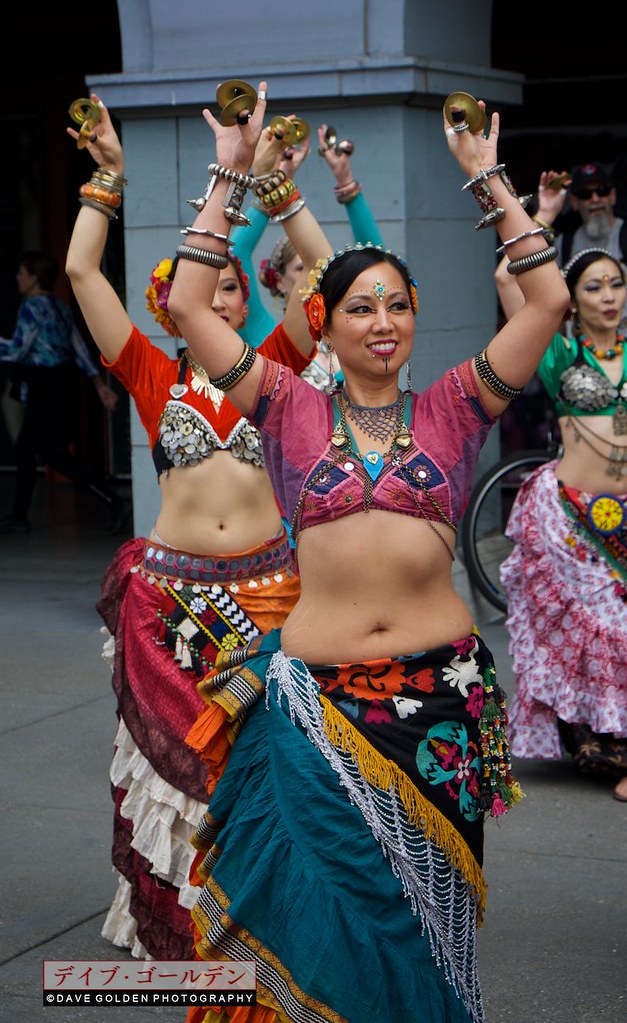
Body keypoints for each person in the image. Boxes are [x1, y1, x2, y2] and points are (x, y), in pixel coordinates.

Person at [166, 82, 569, 1023]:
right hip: (318, 708)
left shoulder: (456, 406)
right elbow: (189, 301)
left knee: (431, 921)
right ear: (330, 323)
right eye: (360, 307)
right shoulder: (288, 407)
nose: (382, 321)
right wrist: (231, 165)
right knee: (325, 921)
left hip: (439, 704)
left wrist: (487, 179)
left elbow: (545, 297)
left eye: (398, 305)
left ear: (415, 318)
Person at [64, 93, 333, 960]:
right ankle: (178, 923)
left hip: (269, 591)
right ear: (172, 299)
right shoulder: (149, 370)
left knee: (264, 764)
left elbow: (325, 272)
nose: (217, 294)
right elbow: (78, 273)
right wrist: (108, 176)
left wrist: (277, 186)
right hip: (170, 596)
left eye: (229, 284)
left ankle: (258, 909)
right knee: (172, 770)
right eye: (201, 283)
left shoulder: (273, 366)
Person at [496, 169, 627, 804]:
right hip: (571, 520)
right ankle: (607, 749)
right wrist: (543, 215)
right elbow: (507, 283)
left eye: (618, 285)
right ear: (570, 299)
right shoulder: (557, 355)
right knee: (596, 637)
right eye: (594, 286)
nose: (610, 295)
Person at [235, 121, 383, 390]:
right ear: (279, 281)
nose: (320, 275)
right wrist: (270, 186)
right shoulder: (264, 333)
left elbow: (378, 265)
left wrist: (345, 180)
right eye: (301, 268)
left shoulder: (356, 331)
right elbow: (234, 255)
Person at [0, 250, 122, 534]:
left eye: (22, 272)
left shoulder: (31, 309)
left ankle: (113, 500)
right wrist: (100, 385)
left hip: (43, 386)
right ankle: (18, 515)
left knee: (52, 455)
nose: (17, 277)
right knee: (28, 450)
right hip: (61, 384)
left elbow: (18, 349)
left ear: (33, 278)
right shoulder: (60, 307)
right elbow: (79, 348)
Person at [526, 163, 627, 335]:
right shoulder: (562, 245)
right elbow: (544, 303)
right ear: (574, 201)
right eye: (585, 194)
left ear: (613, 196)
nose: (595, 199)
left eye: (602, 191)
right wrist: (545, 214)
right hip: (576, 357)